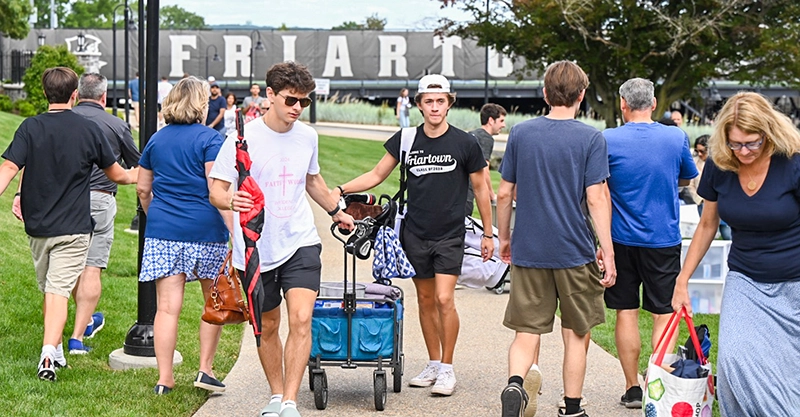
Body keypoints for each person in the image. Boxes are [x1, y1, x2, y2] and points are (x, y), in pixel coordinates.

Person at [208, 61, 354, 417]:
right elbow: (217, 189)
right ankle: (275, 395)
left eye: (303, 102)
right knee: (269, 325)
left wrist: (337, 211)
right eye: (291, 100)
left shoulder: (307, 136)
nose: (296, 109)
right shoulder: (242, 139)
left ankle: (290, 402)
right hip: (257, 248)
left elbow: (313, 181)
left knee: (302, 318)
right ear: (270, 95)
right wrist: (231, 201)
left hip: (300, 240)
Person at [337, 74, 494, 397]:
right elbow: (377, 174)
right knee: (424, 300)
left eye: (440, 101)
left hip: (451, 234)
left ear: (449, 103)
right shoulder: (407, 139)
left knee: (444, 298)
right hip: (414, 233)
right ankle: (434, 362)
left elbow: (481, 188)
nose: (435, 107)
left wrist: (490, 234)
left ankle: (448, 368)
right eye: (428, 101)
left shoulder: (465, 143)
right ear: (419, 105)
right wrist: (340, 189)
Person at [497, 61, 616, 417]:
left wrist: (504, 238)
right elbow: (596, 197)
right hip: (574, 251)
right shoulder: (591, 138)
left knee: (525, 331)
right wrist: (607, 252)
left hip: (530, 248)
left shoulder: (521, 133)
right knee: (576, 333)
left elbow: (504, 194)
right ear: (582, 95)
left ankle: (515, 384)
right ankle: (573, 407)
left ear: (545, 93)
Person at [0, 67, 134, 381]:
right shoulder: (88, 129)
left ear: (46, 93)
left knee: (53, 289)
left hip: (39, 226)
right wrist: (145, 174)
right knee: (55, 291)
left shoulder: (30, 127)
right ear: (74, 94)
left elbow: (8, 167)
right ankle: (49, 354)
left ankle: (55, 349)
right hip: (73, 226)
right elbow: (118, 174)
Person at [672, 92, 800, 416]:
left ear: (768, 133)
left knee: (786, 374)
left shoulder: (792, 160)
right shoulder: (719, 161)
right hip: (745, 280)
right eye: (736, 144)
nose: (743, 152)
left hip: (794, 282)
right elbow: (707, 224)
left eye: (752, 143)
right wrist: (682, 280)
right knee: (734, 363)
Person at [602, 78, 697, 409]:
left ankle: (632, 388)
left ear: (623, 105)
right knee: (662, 315)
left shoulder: (607, 139)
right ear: (654, 104)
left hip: (619, 239)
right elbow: (686, 176)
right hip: (662, 239)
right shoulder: (676, 136)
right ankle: (657, 385)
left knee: (625, 313)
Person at [136, 76, 233, 395]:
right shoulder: (211, 140)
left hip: (164, 231)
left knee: (166, 308)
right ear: (202, 106)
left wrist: (156, 217)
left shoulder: (156, 140)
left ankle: (165, 379)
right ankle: (205, 369)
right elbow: (214, 189)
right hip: (206, 229)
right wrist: (235, 232)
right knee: (212, 301)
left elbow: (142, 188)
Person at [686, 135, 732, 240]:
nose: (700, 154)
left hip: (721, 202)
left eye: (702, 151)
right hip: (701, 202)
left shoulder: (721, 163)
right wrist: (700, 199)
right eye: (697, 151)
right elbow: (690, 184)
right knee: (706, 231)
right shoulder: (694, 162)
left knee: (727, 233)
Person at [465, 103, 506, 215]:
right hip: (466, 195)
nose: (504, 125)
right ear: (491, 121)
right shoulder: (486, 138)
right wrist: (492, 195)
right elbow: (484, 169)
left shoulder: (473, 134)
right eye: (501, 121)